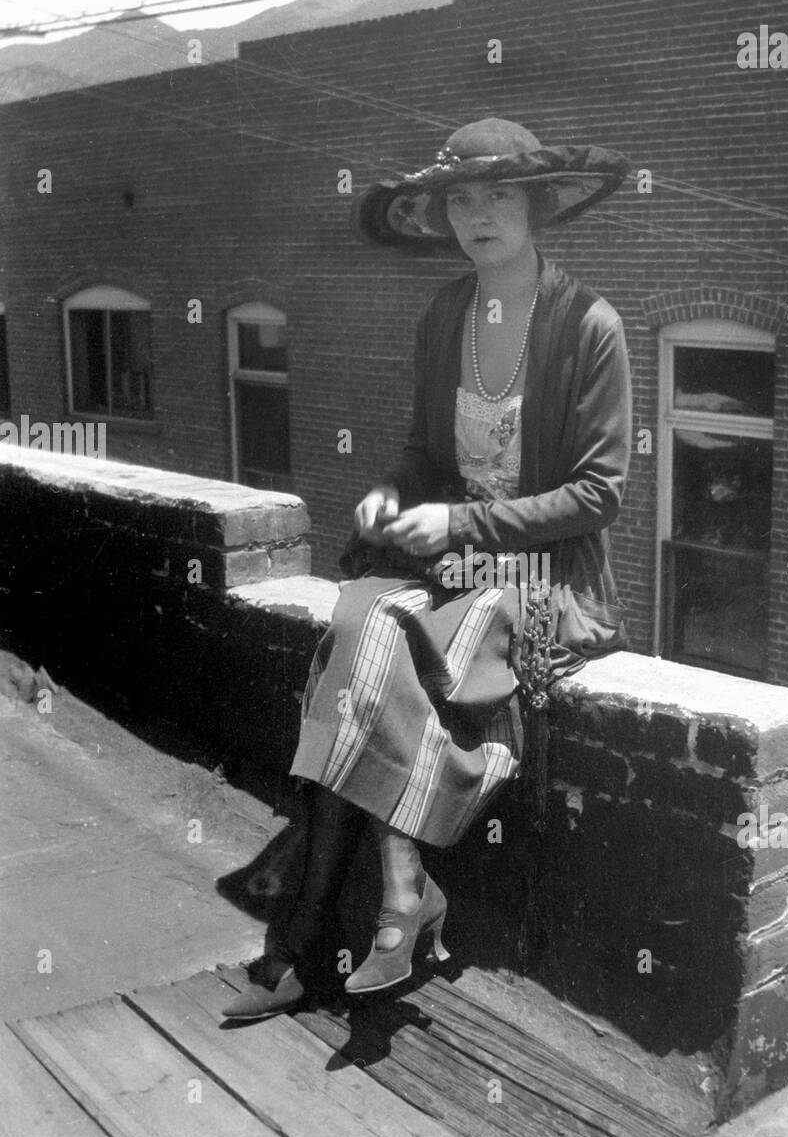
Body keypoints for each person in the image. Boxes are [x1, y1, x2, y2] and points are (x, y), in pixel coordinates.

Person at [220, 117, 633, 1018]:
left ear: (537, 205)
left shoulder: (590, 325)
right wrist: (387, 494)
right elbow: (419, 455)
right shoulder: (447, 314)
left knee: (378, 643)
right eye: (460, 199)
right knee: (355, 628)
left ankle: (299, 949)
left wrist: (464, 520)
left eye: (497, 196)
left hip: (541, 576)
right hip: (453, 563)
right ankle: (401, 893)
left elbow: (600, 494)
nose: (477, 215)